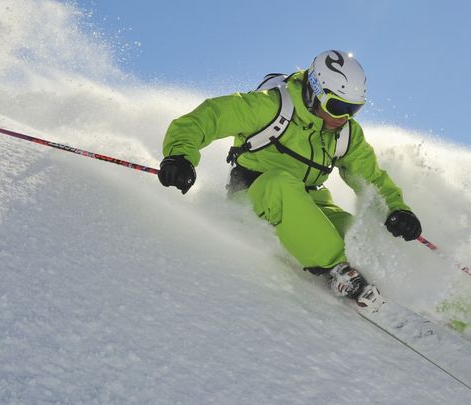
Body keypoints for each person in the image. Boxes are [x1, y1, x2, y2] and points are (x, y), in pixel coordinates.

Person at [157, 50, 422, 307]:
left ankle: (399, 289)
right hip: (255, 196)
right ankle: (340, 271)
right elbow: (209, 117)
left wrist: (397, 209)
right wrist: (179, 157)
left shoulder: (346, 133)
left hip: (309, 200)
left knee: (357, 236)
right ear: (316, 91)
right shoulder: (270, 105)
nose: (343, 118)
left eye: (353, 109)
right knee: (280, 184)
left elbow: (371, 178)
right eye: (338, 107)